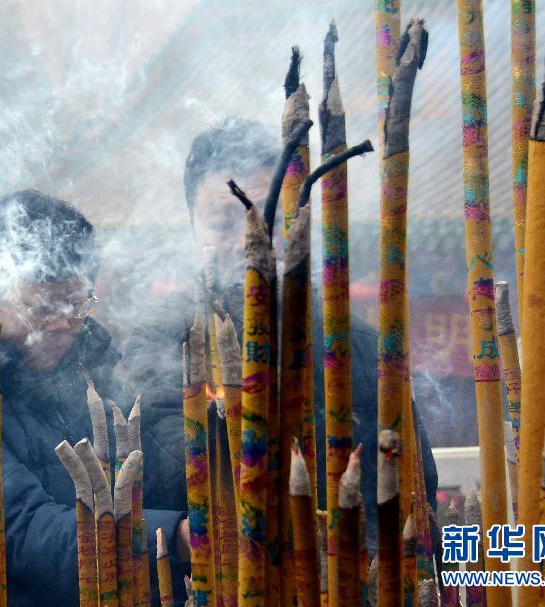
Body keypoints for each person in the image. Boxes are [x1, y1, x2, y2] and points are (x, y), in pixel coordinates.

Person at [120, 118, 439, 559]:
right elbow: (165, 467)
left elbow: (410, 488)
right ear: (192, 227)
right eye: (223, 222)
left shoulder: (354, 345)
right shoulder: (157, 341)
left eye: (267, 216)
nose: (249, 240)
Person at [0, 190, 191, 606]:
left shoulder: (91, 363)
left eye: (76, 302)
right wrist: (178, 535)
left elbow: (155, 464)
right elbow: (21, 531)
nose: (63, 324)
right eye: (40, 309)